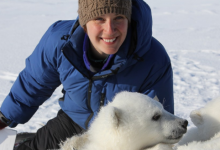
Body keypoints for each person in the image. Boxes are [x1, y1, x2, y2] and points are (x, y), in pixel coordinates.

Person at [0, 0, 174, 149]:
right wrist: (4, 117)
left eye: (119, 18)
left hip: (122, 137)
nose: (110, 29)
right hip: (73, 120)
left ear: (129, 20)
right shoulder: (59, 42)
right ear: (84, 23)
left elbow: (158, 123)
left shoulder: (153, 58)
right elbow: (34, 85)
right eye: (99, 18)